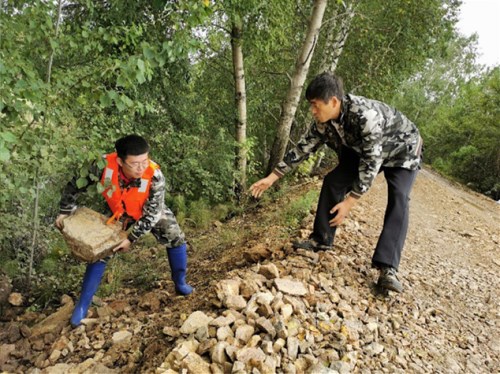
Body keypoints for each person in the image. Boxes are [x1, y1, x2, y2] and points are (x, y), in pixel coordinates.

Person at [250, 73, 423, 293]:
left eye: (315, 105)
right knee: (333, 180)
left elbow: (371, 162)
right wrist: (272, 177)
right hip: (364, 150)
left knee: (399, 197)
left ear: (333, 101)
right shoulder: (325, 122)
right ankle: (321, 239)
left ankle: (388, 268)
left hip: (402, 151)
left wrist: (350, 203)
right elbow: (303, 148)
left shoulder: (366, 117)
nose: (312, 111)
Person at [55, 134, 193, 327]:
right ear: (120, 160)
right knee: (100, 249)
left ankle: (180, 283)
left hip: (147, 210)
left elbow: (152, 214)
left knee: (175, 237)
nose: (141, 167)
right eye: (134, 164)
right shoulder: (100, 165)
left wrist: (131, 238)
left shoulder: (155, 176)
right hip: (116, 211)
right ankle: (82, 305)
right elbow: (74, 184)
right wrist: (65, 211)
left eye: (144, 161)